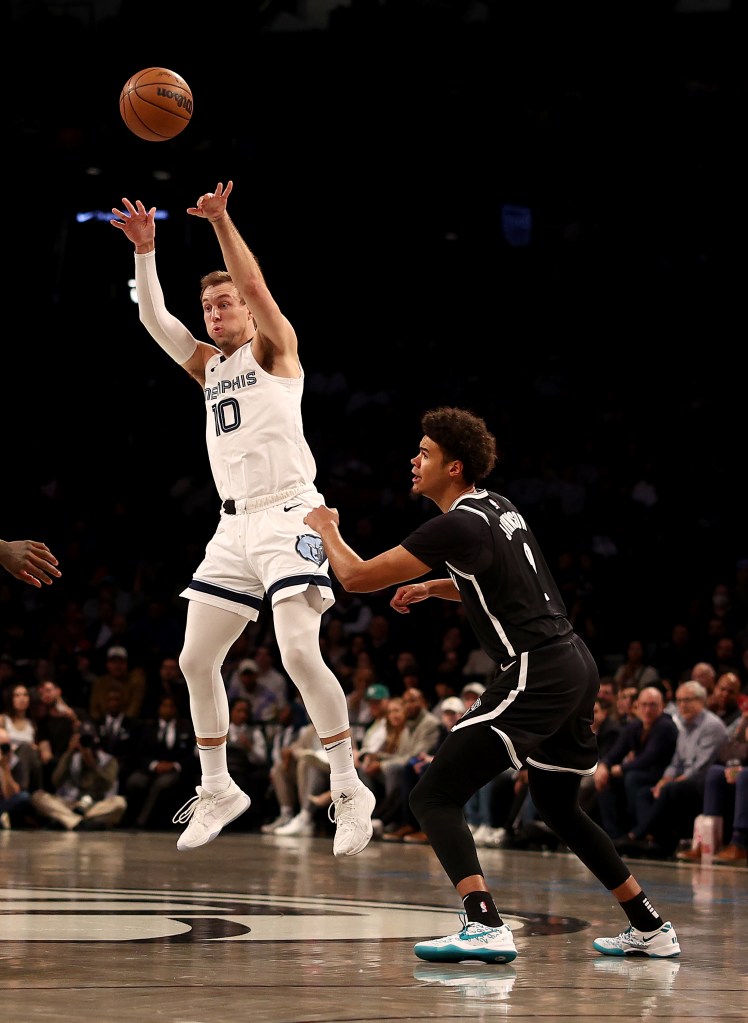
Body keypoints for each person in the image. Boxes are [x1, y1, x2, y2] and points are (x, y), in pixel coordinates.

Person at [304, 406, 680, 963]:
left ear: (454, 467)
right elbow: (491, 581)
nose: (414, 460)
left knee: (432, 795)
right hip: (574, 664)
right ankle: (650, 924)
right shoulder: (498, 508)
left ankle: (484, 924)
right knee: (559, 807)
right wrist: (434, 589)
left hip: (537, 668)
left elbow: (357, 576)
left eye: (425, 453)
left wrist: (327, 530)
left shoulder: (453, 523)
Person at [110, 180, 374, 857]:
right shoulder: (208, 366)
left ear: (248, 314)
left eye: (225, 301)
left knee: (294, 649)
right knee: (194, 658)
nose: (217, 310)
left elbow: (256, 286)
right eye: (209, 303)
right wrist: (147, 252)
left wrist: (222, 222)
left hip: (292, 513)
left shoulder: (274, 349)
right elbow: (156, 322)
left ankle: (348, 785)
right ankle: (220, 785)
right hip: (232, 528)